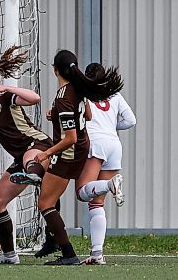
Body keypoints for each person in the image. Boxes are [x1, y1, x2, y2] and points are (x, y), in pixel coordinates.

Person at [34, 50, 124, 265]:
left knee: (45, 202)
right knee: (79, 196)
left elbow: (70, 137)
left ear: (55, 70)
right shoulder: (77, 88)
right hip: (86, 147)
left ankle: (68, 253)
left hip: (69, 152)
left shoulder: (65, 96)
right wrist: (55, 114)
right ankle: (81, 251)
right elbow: (88, 115)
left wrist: (47, 152)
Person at [0, 46, 55, 264]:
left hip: (38, 145)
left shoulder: (6, 97)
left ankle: (34, 175)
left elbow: (35, 98)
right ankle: (9, 255)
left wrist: (7, 88)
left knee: (30, 158)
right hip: (21, 158)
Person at [75, 63, 136, 265]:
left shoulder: (83, 91)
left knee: (83, 191)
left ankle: (111, 185)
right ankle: (97, 254)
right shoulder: (115, 95)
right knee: (96, 203)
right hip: (114, 145)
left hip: (96, 143)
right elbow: (131, 120)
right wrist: (112, 125)